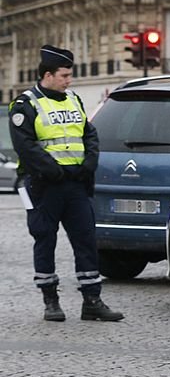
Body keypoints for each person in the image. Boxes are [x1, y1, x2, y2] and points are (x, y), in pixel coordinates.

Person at [9, 45, 123, 322]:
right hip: (43, 186)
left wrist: (88, 164)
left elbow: (89, 135)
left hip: (75, 184)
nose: (69, 80)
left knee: (85, 240)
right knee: (45, 240)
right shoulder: (25, 104)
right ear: (48, 75)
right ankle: (51, 301)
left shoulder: (74, 100)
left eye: (69, 75)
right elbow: (26, 147)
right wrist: (56, 171)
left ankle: (92, 301)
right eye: (64, 75)